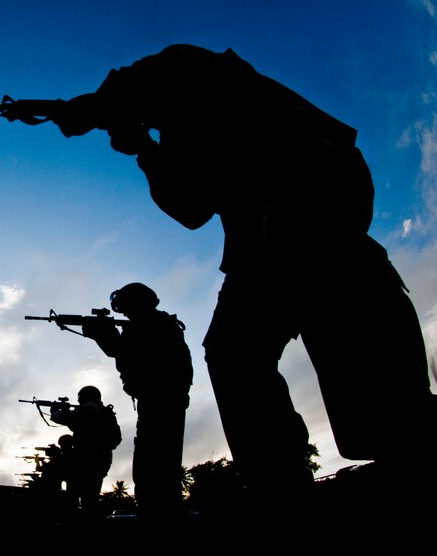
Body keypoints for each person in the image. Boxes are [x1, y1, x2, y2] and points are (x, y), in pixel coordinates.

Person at [48, 44, 436, 506]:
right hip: (256, 236)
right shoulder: (172, 128)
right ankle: (283, 495)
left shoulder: (192, 74)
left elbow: (155, 76)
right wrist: (144, 148)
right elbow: (191, 208)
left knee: (300, 238)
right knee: (232, 349)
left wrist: (94, 106)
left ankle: (408, 432)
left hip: (312, 177)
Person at [81, 284, 193, 525]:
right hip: (164, 400)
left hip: (158, 401)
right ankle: (162, 512)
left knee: (151, 463)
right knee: (161, 461)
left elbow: (122, 353)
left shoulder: (147, 326)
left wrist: (101, 334)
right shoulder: (159, 324)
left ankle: (157, 516)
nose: (121, 309)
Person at [49, 385, 120, 522]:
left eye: (80, 396)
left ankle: (85, 525)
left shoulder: (88, 409)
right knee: (92, 495)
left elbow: (63, 418)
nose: (79, 399)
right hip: (103, 458)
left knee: (83, 497)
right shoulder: (105, 412)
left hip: (89, 457)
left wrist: (54, 410)